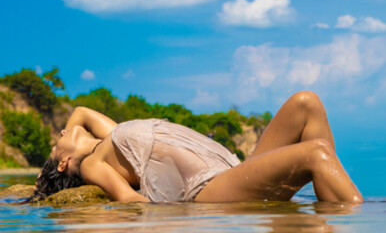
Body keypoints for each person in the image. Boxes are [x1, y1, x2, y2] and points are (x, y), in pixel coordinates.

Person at [27, 91, 363, 203]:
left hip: (234, 169)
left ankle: (330, 210)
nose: (62, 130)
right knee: (315, 153)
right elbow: (130, 200)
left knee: (307, 103)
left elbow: (81, 113)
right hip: (208, 189)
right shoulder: (91, 165)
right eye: (58, 140)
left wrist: (66, 141)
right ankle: (358, 221)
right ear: (62, 163)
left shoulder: (110, 137)